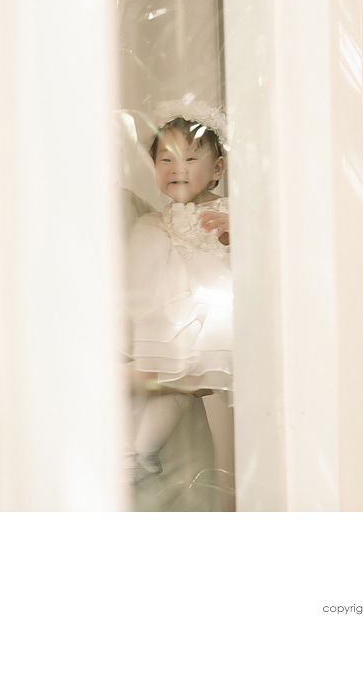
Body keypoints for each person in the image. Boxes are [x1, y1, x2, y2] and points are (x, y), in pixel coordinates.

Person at [124, 98, 233, 485]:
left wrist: (230, 229)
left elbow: (248, 256)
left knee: (178, 380)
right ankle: (142, 453)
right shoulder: (155, 220)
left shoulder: (228, 211)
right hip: (177, 315)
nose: (177, 168)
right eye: (166, 159)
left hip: (211, 310)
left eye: (190, 159)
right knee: (171, 380)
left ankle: (141, 451)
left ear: (217, 169)